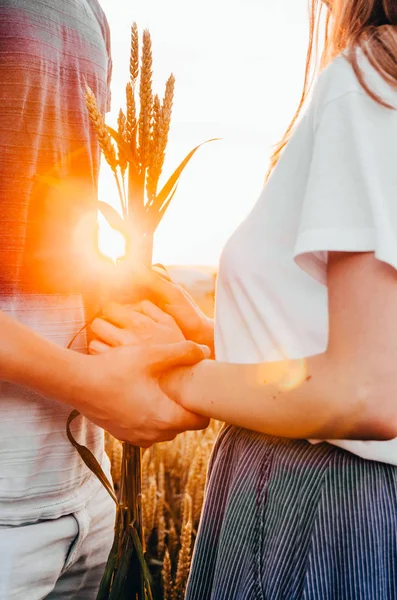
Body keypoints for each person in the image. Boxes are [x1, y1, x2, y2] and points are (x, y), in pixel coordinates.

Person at [90, 0, 397, 597]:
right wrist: (214, 332)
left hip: (315, 510)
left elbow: (366, 391)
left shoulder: (371, 77)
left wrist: (171, 376)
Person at [0, 1, 208, 598]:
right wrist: (91, 387)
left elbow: (47, 219)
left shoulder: (88, 9)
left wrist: (113, 282)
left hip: (86, 495)